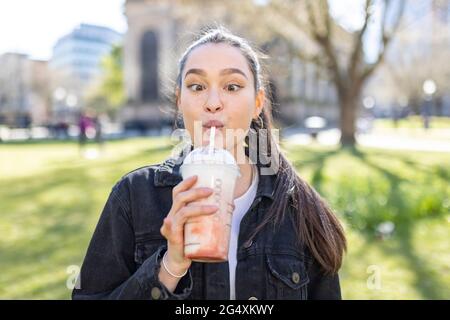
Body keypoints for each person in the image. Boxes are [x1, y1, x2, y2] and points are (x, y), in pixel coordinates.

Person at [72, 27, 346, 300]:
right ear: (180, 101)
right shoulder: (132, 197)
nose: (213, 103)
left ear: (257, 103)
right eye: (197, 86)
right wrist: (170, 266)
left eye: (232, 87)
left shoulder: (299, 209)